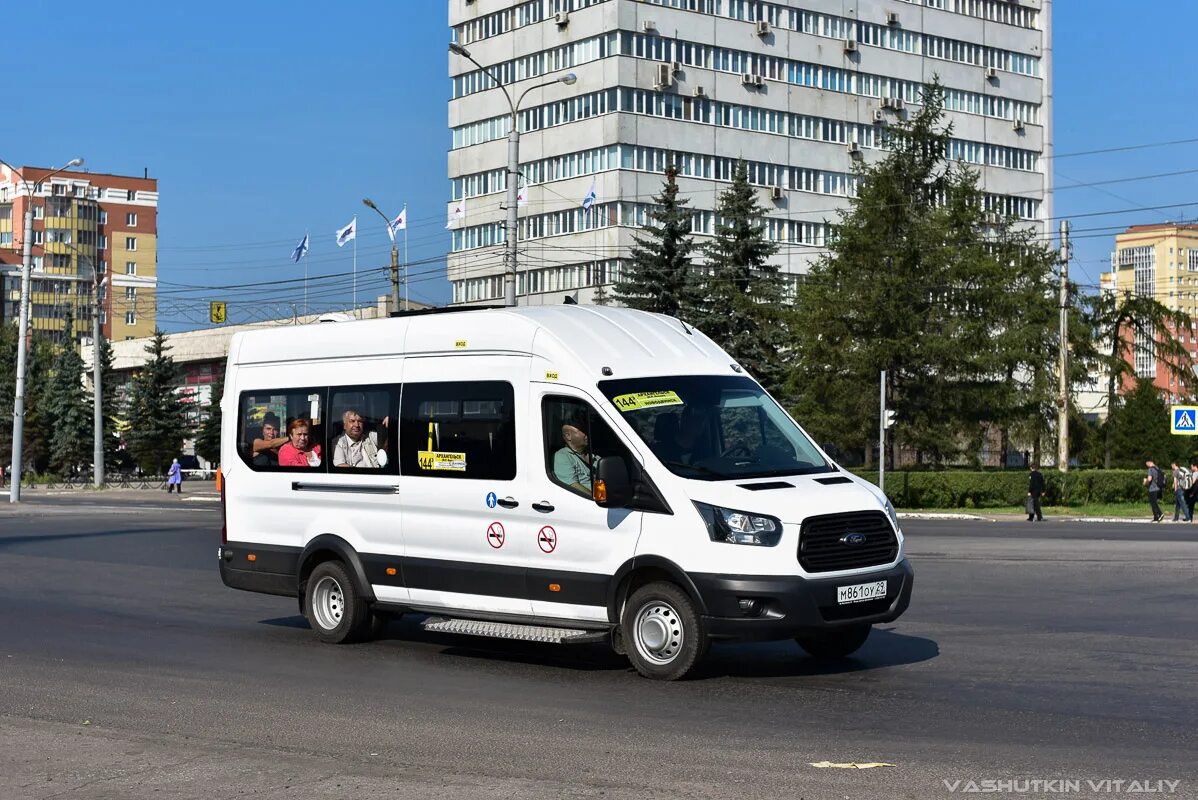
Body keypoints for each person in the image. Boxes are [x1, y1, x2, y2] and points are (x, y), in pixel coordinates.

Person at [553, 415, 592, 495]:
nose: (586, 433)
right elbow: (573, 486)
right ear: (568, 436)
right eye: (582, 430)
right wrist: (596, 499)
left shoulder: (593, 455)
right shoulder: (563, 456)